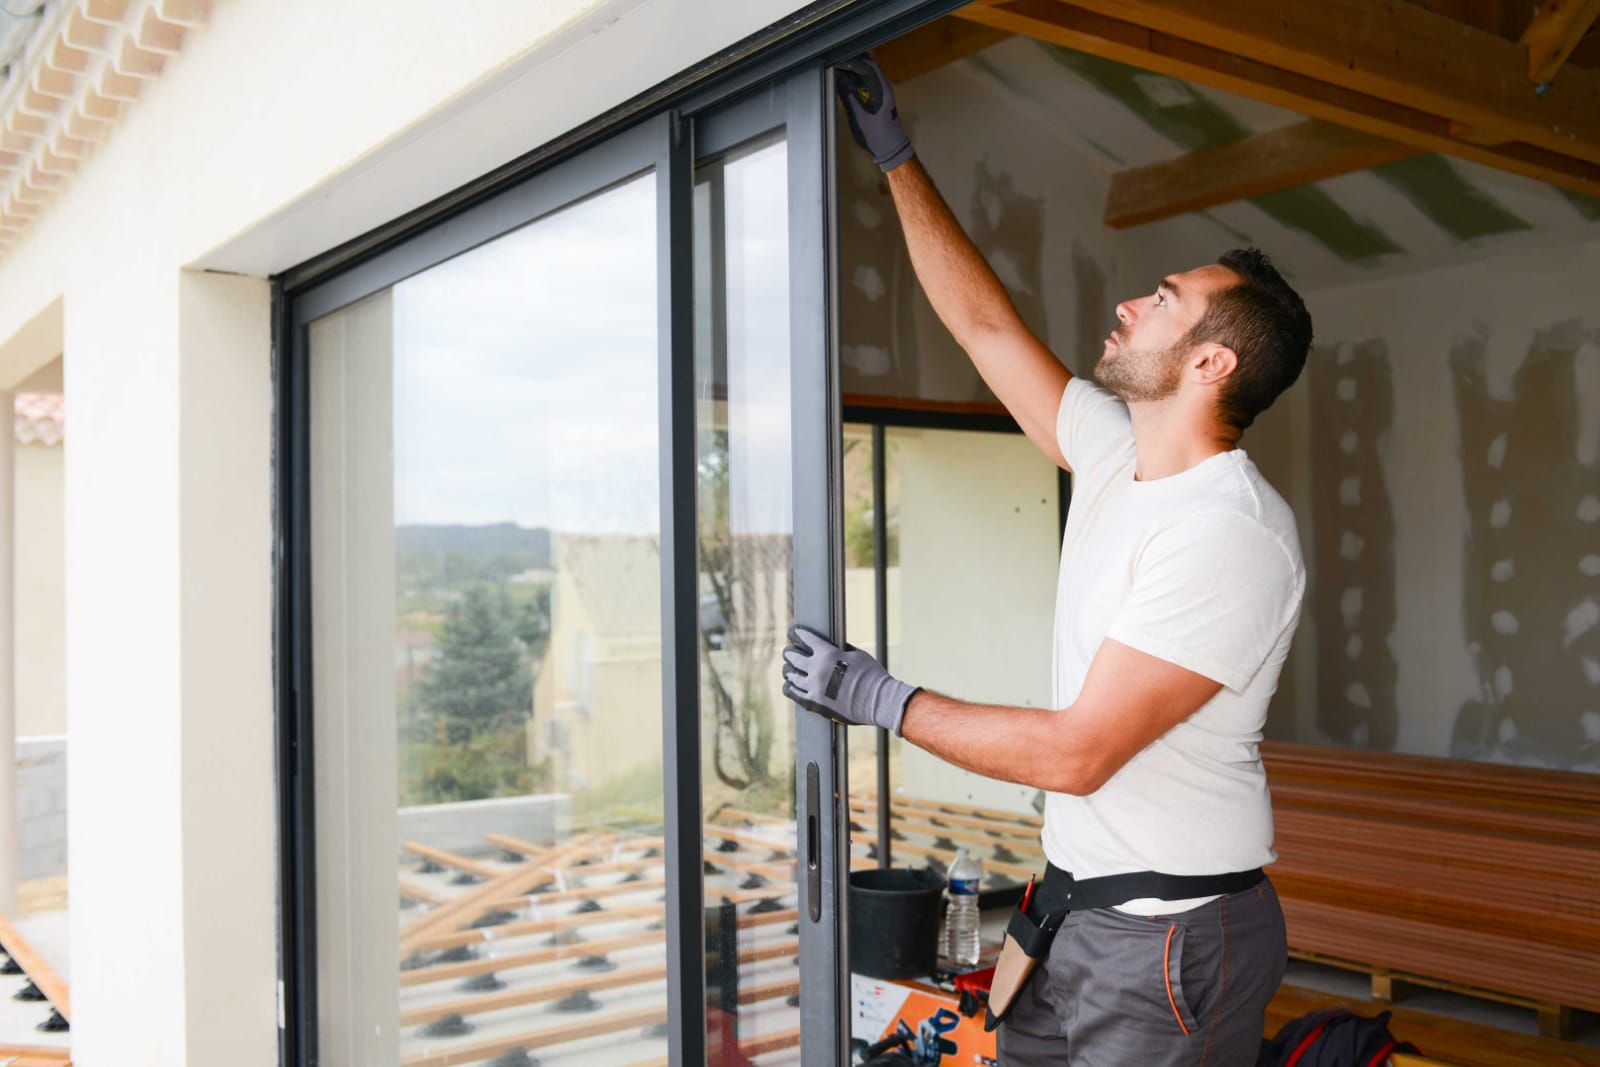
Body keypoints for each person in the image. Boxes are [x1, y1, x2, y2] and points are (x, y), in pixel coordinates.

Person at [782, 55, 1313, 1066]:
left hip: (1167, 941)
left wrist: (878, 697)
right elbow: (983, 327)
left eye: (1161, 298)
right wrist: (895, 159)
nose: (1129, 305)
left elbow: (1078, 751)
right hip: (1070, 911)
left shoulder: (1228, 532)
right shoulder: (1117, 448)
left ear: (1211, 362)